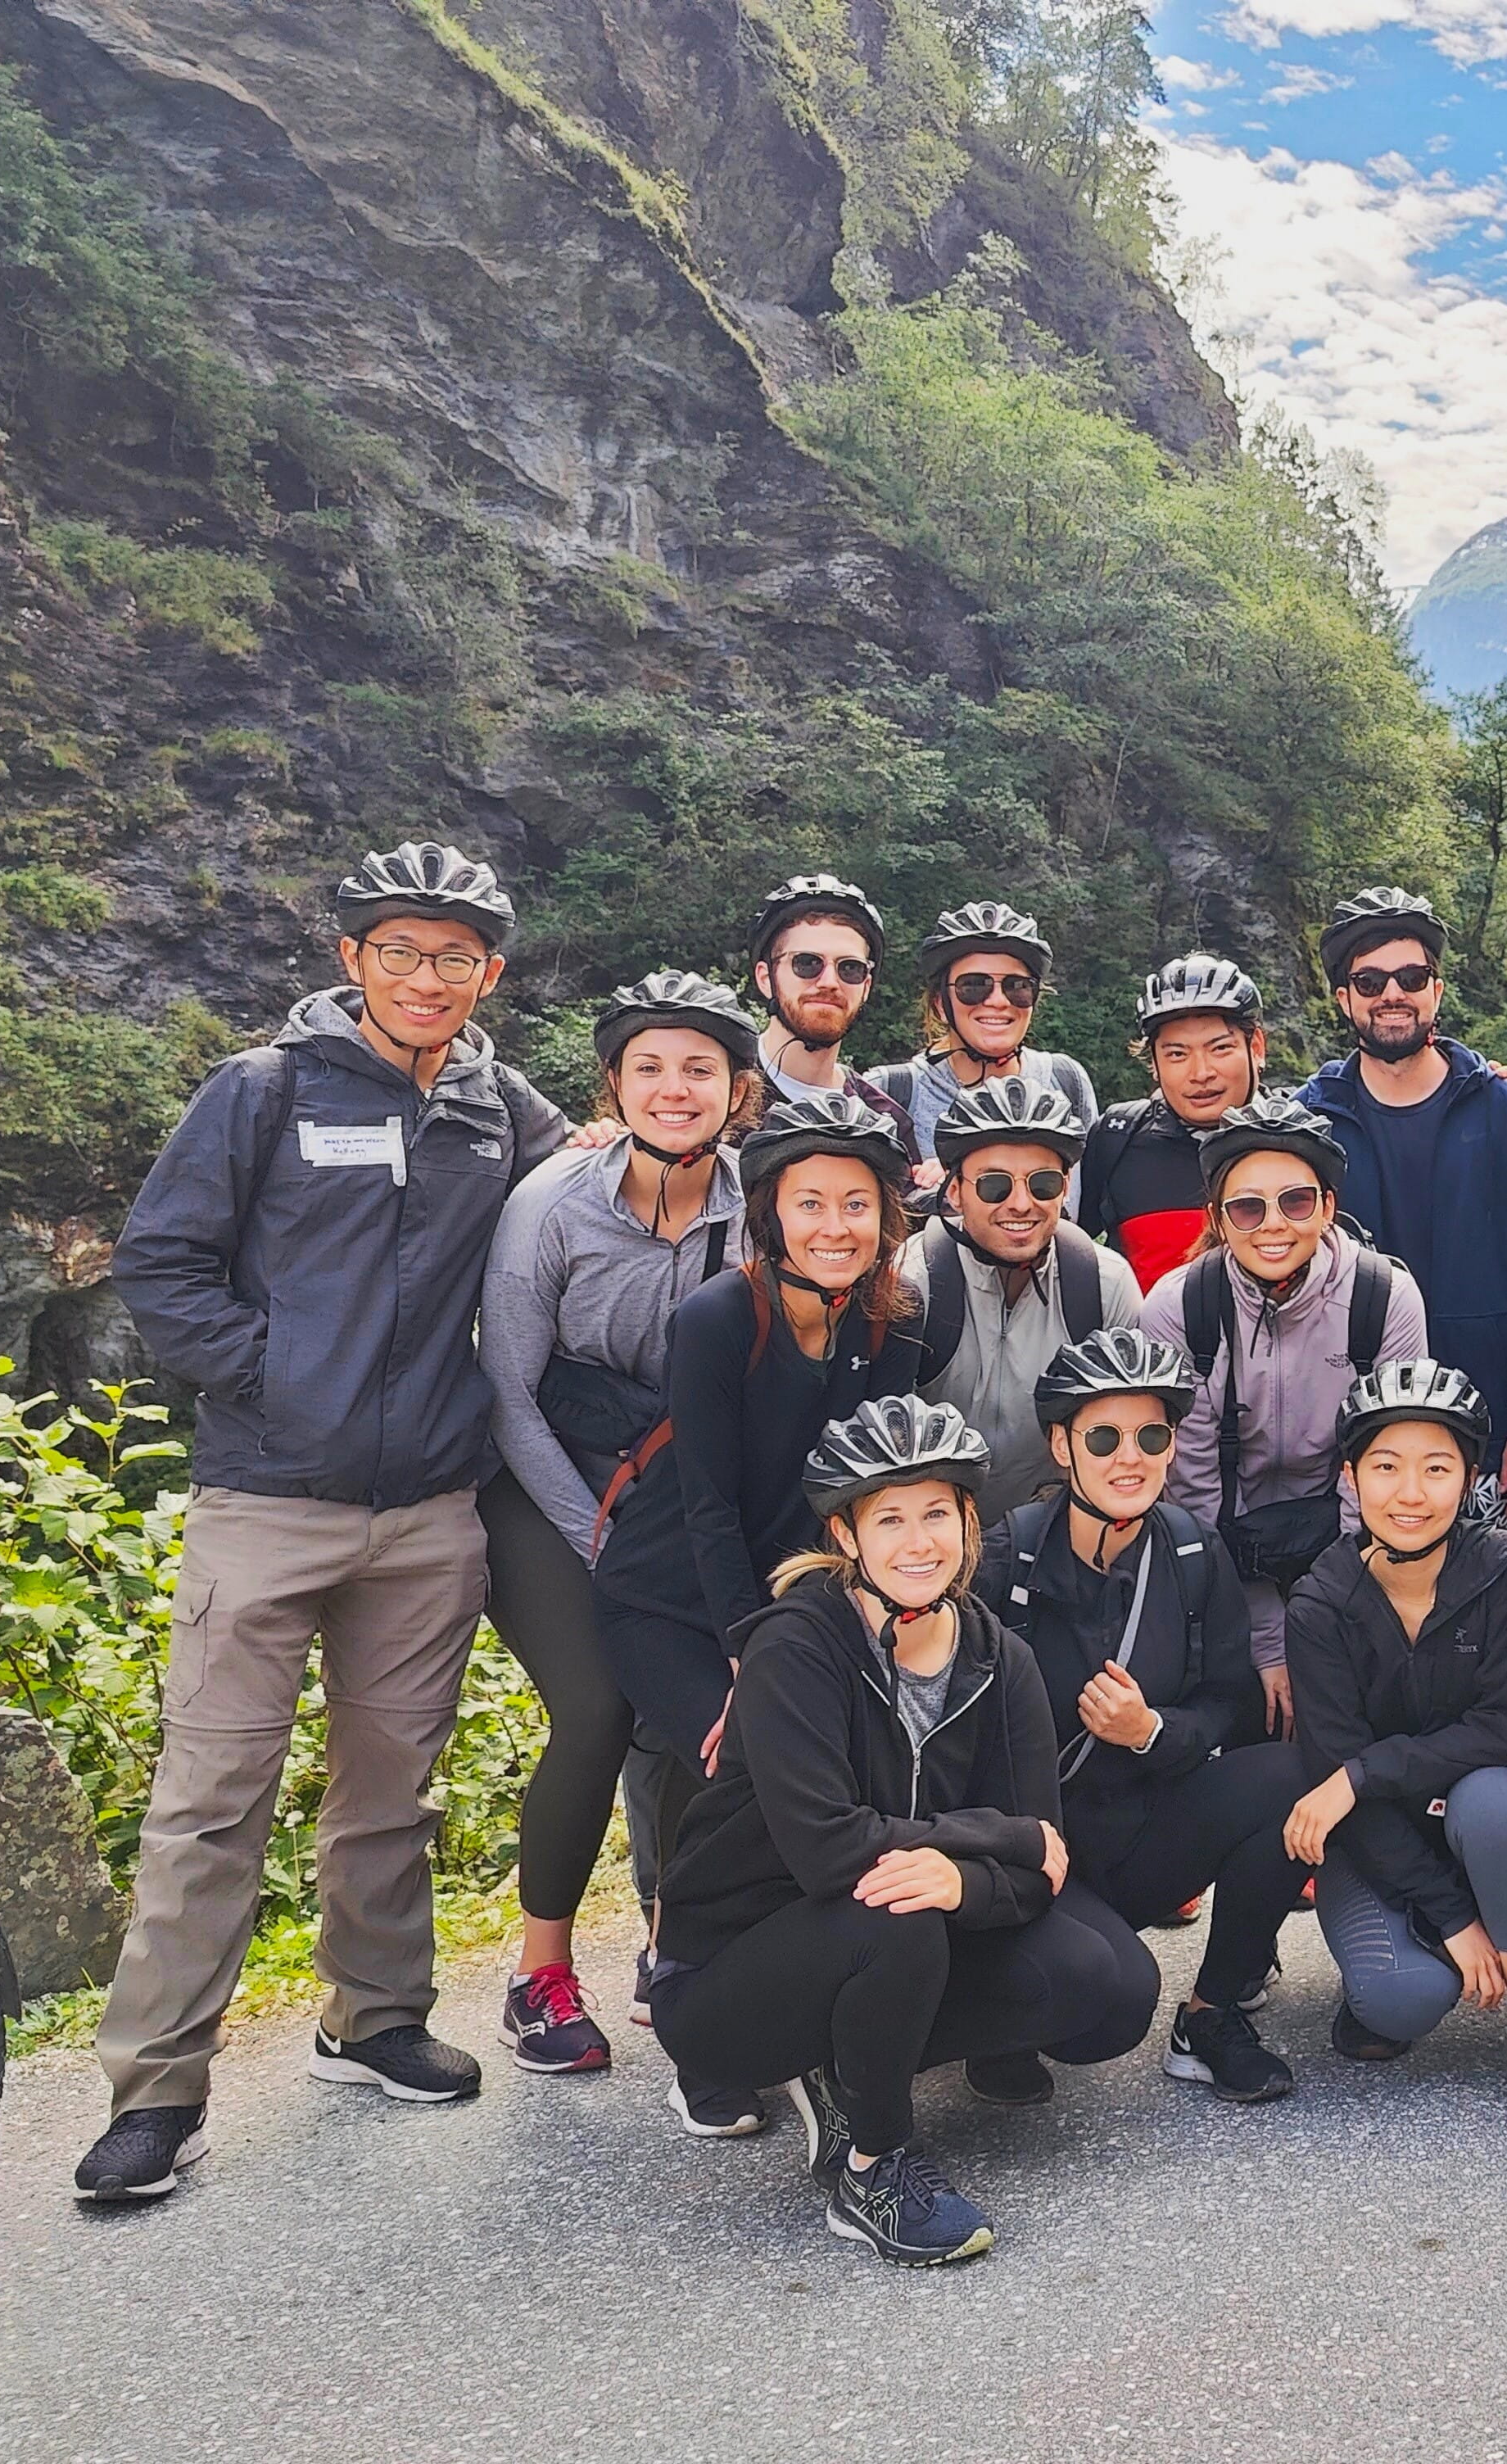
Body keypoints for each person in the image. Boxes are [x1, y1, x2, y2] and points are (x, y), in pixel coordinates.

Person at [82, 845, 570, 2199]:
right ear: (350, 958)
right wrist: (276, 1382)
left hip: (428, 1509)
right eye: (401, 950)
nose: (428, 977)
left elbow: (601, 1181)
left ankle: (373, 2015)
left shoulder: (493, 1105)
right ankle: (159, 2092)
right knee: (209, 1795)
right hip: (264, 1499)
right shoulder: (263, 1089)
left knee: (386, 1789)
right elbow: (162, 1263)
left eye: (457, 956)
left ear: (492, 974)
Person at [649, 1399, 1161, 2268]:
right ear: (846, 1535)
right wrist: (994, 1838)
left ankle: (852, 2055)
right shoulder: (795, 1646)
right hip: (729, 1975)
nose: (918, 1540)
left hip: (892, 1929)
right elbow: (829, 1847)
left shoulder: (1001, 1657)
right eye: (889, 1517)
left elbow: (1047, 1862)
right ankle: (873, 2160)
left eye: (937, 1513)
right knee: (897, 1909)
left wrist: (973, 1875)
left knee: (1110, 1982)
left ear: (969, 1523)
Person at [591, 1093, 921, 2132]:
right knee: (731, 1773)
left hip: (795, 1599)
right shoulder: (720, 1316)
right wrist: (748, 1655)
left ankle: (800, 1997)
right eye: (809, 1202)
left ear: (885, 1218)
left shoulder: (891, 1318)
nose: (835, 1225)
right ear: (769, 1213)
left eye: (857, 1204)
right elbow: (708, 1505)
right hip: (674, 1597)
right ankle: (694, 2008)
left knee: (821, 1780)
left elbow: (865, 1492)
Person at [474, 969, 763, 2079]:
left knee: (708, 1699)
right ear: (614, 1083)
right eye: (649, 1067)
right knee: (596, 1710)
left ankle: (670, 1941)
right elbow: (506, 1392)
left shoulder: (756, 1206)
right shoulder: (552, 1204)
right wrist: (606, 1552)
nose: (674, 1089)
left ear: (739, 1089)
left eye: (698, 1069)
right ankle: (539, 1974)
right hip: (550, 1487)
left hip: (683, 1493)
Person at [980, 1329, 1309, 2107]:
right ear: (1062, 1446)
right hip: (1035, 1849)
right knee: (1102, 2013)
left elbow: (1232, 1705)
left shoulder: (1195, 1551)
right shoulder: (1007, 1560)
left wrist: (1152, 1731)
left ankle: (1213, 2015)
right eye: (1104, 1436)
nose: (1130, 1456)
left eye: (1151, 1435)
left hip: (1145, 1826)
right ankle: (995, 2021)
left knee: (1296, 1777)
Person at [1283, 1362, 1507, 2136]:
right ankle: (1417, 1952)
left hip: (1486, 1814)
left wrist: (1363, 1771)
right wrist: (1452, 1917)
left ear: (1470, 1477)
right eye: (1385, 1467)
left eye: (1437, 1467)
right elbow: (1335, 1788)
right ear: (1351, 1477)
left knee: (1494, 1800)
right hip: (1374, 1839)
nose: (1410, 1493)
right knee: (1400, 2000)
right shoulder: (1320, 1601)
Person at [1147, 1094, 1432, 1737]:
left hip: (1349, 1535)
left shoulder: (1383, 1298)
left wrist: (1322, 1621)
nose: (1273, 1225)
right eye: (1247, 1207)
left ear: (1328, 1207)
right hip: (1226, 1539)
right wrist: (1267, 1640)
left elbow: (1388, 1466)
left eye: (1296, 1202)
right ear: (1218, 1220)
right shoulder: (1179, 1308)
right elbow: (1191, 1487)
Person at [1297, 886, 1507, 1506]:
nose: (1393, 993)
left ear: (1436, 991)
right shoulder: (1311, 1120)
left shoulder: (1499, 1107)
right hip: (1356, 1429)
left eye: (1412, 977)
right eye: (1369, 981)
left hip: (1485, 1422)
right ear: (1343, 999)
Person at [899, 1076, 1138, 1522]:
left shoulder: (1103, 1284)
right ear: (954, 1191)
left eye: (1044, 1184)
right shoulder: (914, 1281)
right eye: (995, 1185)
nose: (1022, 1203)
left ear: (1066, 1188)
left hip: (1056, 1537)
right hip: (932, 1541)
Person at [873, 901, 1101, 1193]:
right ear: (941, 1004)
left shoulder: (1067, 1081)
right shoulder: (892, 1093)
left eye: (1017, 986)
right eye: (973, 986)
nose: (998, 1001)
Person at [1081, 954, 1269, 1291]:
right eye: (1177, 1054)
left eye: (1220, 1048)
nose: (1201, 1074)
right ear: (1153, 1061)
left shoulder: (1299, 1142)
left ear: (1256, 1047)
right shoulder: (1117, 1139)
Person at [744, 873, 901, 1128]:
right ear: (765, 978)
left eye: (850, 968)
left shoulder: (885, 1123)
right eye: (807, 963)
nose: (829, 982)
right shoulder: (721, 1101)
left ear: (866, 987)